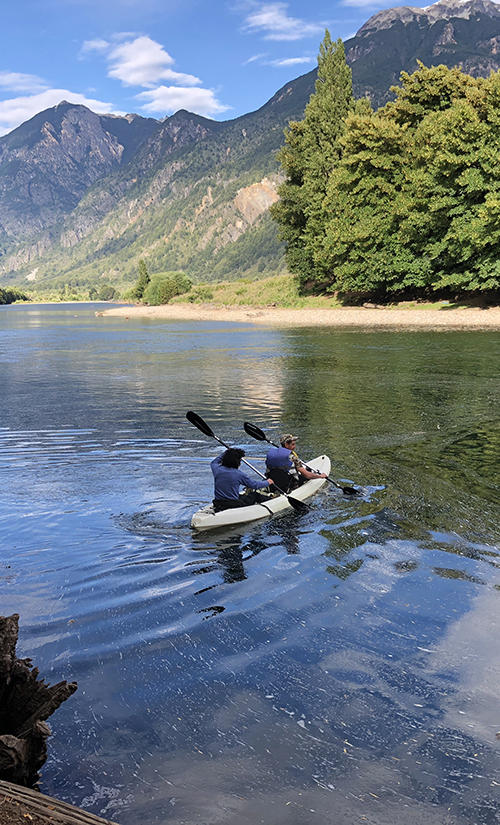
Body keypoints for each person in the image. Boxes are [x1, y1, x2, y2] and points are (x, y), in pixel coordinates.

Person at [211, 448, 272, 512]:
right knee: (255, 495)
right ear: (237, 462)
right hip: (233, 504)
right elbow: (254, 485)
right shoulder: (239, 474)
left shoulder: (217, 469)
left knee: (242, 496)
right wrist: (268, 482)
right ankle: (272, 499)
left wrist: (227, 453)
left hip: (218, 502)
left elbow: (215, 461)